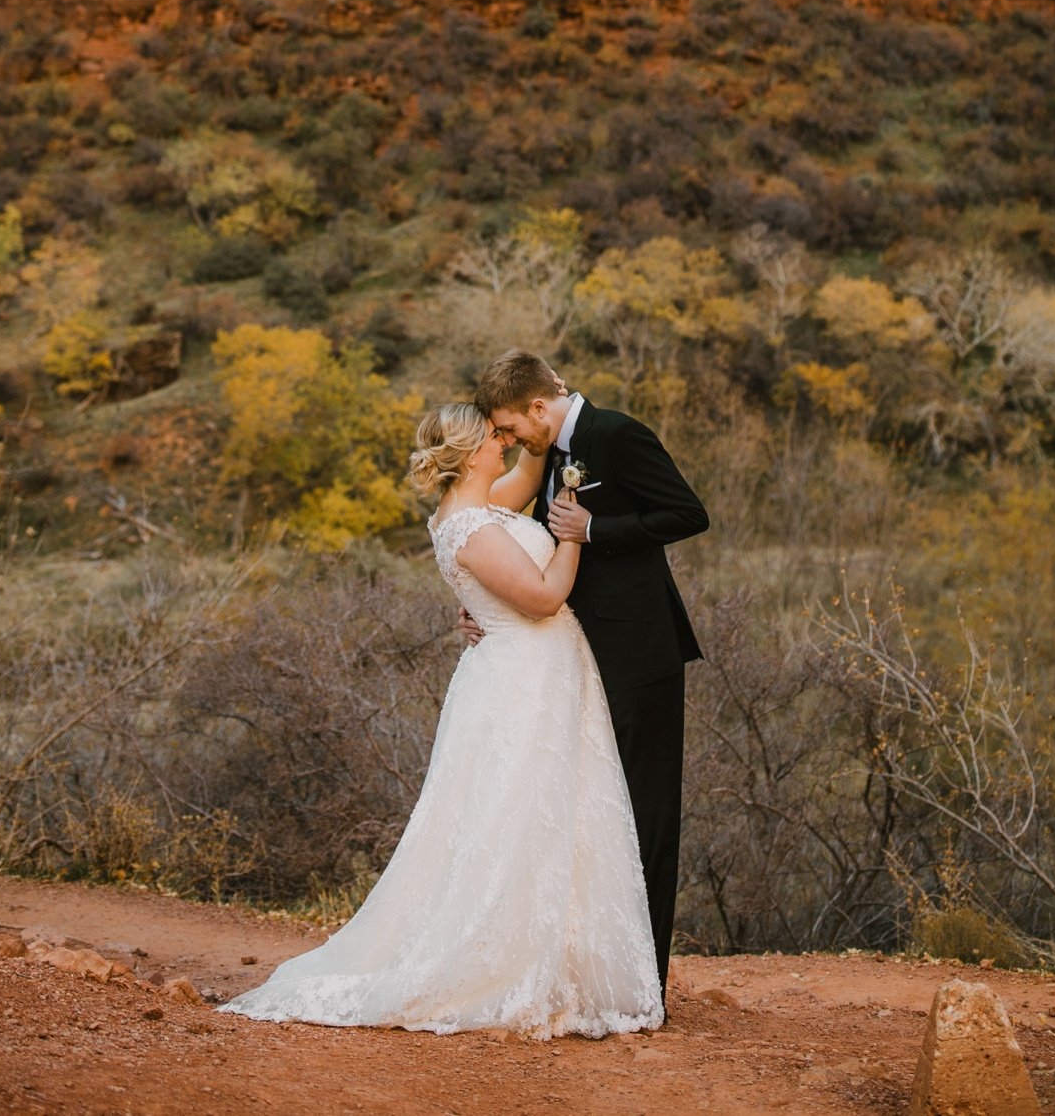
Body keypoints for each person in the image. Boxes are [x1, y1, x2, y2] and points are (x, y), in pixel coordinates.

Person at [224, 402, 662, 1040]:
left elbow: (531, 469)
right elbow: (541, 598)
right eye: (493, 437)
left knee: (551, 813)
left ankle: (558, 960)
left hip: (540, 673)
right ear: (470, 454)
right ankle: (499, 964)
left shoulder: (482, 504)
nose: (503, 442)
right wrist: (570, 535)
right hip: (523, 682)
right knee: (515, 815)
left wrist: (546, 403)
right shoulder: (469, 526)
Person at [470, 350, 710, 1001]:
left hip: (639, 657)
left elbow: (689, 513)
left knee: (646, 819)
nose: (512, 439)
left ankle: (644, 988)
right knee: (596, 819)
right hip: (579, 661)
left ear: (538, 408)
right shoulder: (554, 454)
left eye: (512, 426)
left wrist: (599, 526)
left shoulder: (618, 434)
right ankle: (596, 976)